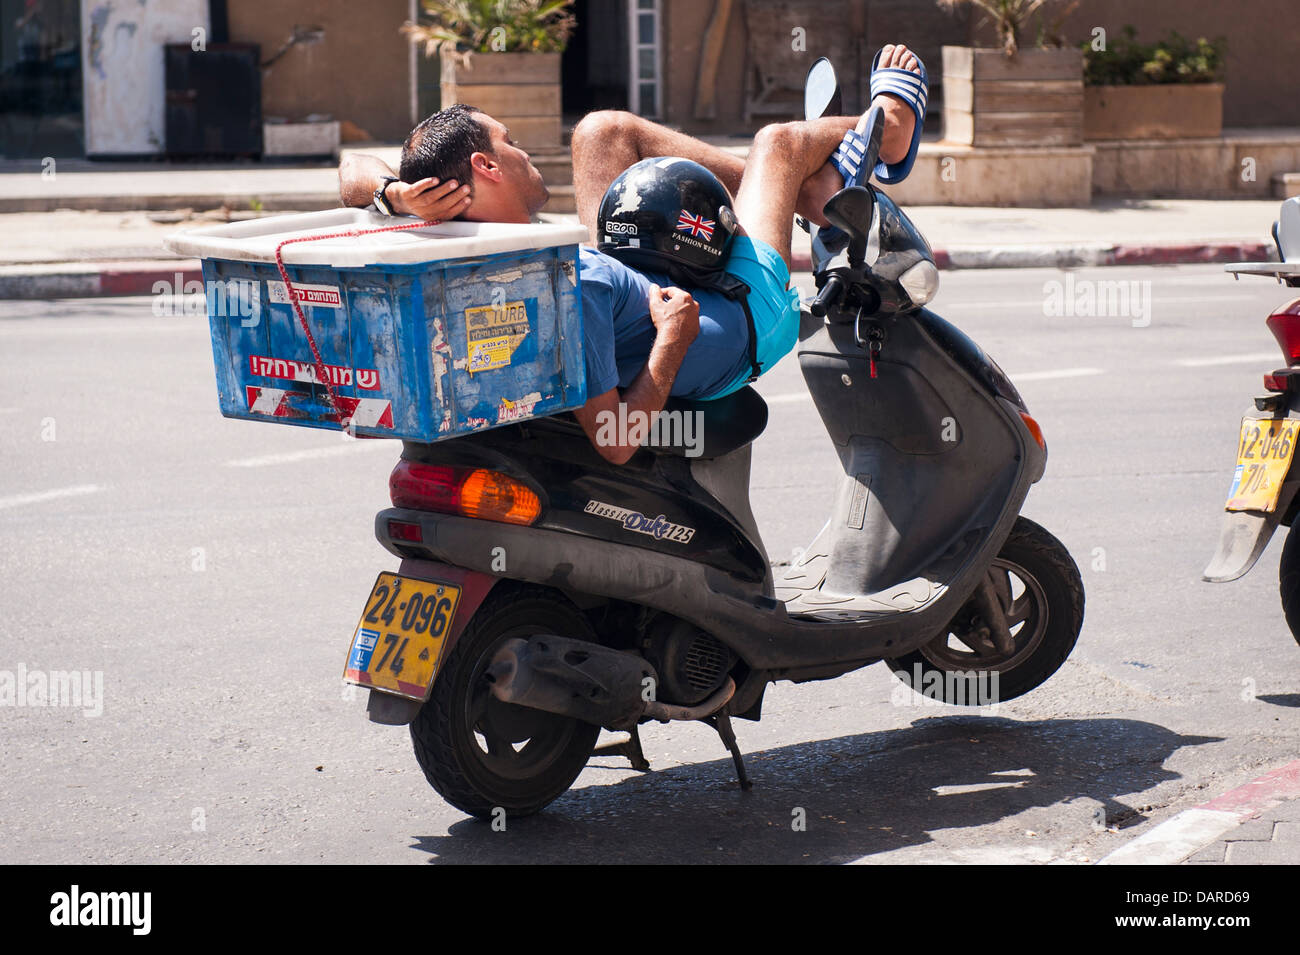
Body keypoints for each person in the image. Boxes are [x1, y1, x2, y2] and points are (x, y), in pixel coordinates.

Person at [339, 44, 925, 464]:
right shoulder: (575, 284)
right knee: (780, 140)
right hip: (747, 317)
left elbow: (349, 172)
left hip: (630, 282)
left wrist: (391, 195)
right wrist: (672, 337)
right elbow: (617, 439)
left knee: (602, 132)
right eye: (509, 144)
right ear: (486, 167)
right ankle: (885, 133)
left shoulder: (440, 230)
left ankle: (802, 186)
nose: (523, 152)